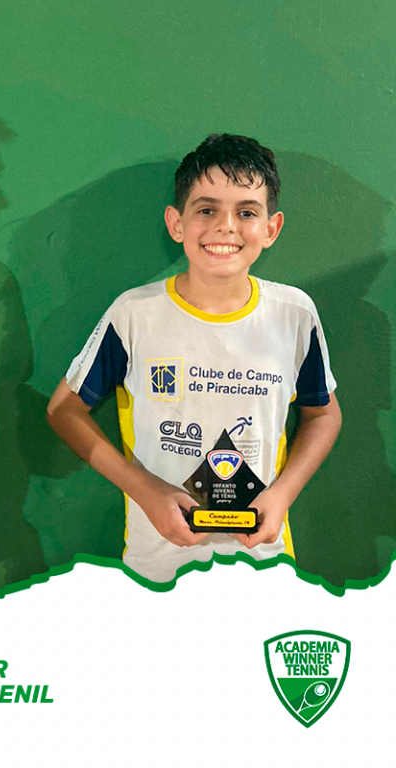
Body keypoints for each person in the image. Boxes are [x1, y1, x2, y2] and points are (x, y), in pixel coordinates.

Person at [47, 134, 342, 582]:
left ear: (271, 228)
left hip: (262, 566)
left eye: (246, 212)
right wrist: (146, 491)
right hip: (158, 567)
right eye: (206, 210)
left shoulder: (294, 314)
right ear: (176, 223)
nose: (226, 227)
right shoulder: (134, 314)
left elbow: (323, 414)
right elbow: (64, 410)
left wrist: (283, 494)